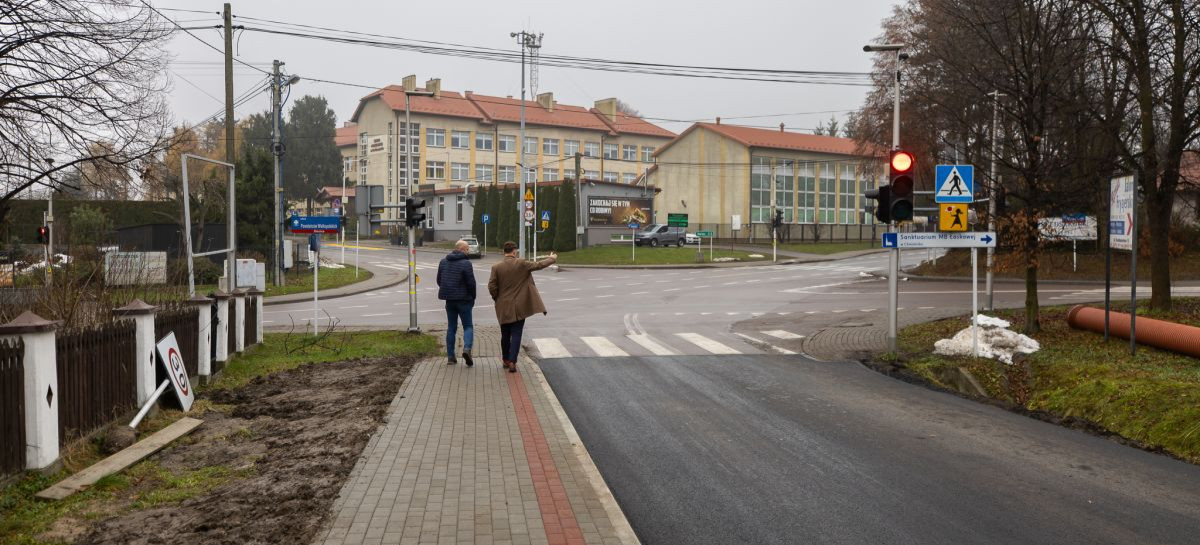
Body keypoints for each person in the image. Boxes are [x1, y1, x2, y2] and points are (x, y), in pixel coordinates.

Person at [489, 241, 557, 372]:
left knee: (505, 334)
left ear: (504, 252)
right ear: (514, 251)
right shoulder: (522, 263)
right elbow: (539, 265)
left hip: (503, 306)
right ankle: (513, 362)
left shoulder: (496, 267)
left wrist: (497, 298)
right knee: (516, 334)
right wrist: (551, 259)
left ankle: (505, 359)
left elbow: (492, 286)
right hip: (520, 307)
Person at [437, 239, 476, 366]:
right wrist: (472, 297)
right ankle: (467, 349)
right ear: (461, 249)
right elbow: (471, 283)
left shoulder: (443, 262)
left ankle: (450, 357)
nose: (468, 251)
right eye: (467, 249)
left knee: (451, 327)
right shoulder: (466, 263)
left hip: (449, 300)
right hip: (464, 300)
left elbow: (439, 280)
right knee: (468, 326)